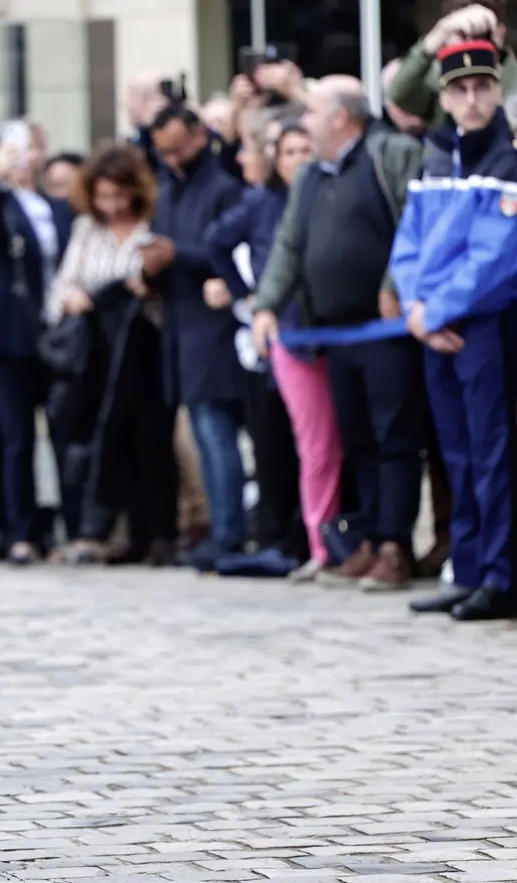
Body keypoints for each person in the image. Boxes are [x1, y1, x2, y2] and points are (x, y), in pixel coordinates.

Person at [251, 76, 428, 592]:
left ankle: (396, 546)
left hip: (386, 330)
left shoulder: (390, 153)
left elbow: (417, 223)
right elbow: (289, 245)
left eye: (312, 112)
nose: (304, 122)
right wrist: (266, 305)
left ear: (341, 117)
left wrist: (396, 282)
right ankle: (370, 540)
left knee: (395, 438)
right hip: (335, 335)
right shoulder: (309, 176)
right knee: (357, 441)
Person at [390, 40, 517, 621]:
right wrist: (415, 309)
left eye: (481, 87)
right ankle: (466, 567)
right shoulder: (435, 157)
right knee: (457, 453)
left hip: (484, 323)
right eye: (459, 90)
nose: (471, 100)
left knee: (493, 452)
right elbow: (409, 244)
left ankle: (501, 576)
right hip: (435, 326)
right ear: (443, 97)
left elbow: (496, 258)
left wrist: (433, 312)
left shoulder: (511, 159)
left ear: (497, 90)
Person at [43, 142, 177, 567]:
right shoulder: (87, 231)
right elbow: (60, 288)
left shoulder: (152, 231)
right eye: (104, 196)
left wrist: (147, 290)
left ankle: (155, 532)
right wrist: (75, 299)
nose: (112, 205)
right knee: (100, 441)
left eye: (120, 196)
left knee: (150, 443)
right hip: (97, 361)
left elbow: (167, 297)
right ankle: (103, 529)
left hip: (144, 355)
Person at [205, 114, 316, 576]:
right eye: (287, 152)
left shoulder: (320, 195)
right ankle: (277, 537)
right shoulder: (261, 201)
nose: (296, 160)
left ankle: (313, 536)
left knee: (313, 444)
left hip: (321, 332)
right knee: (272, 443)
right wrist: (243, 291)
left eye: (303, 150)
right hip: (273, 337)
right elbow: (215, 241)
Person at [146, 103, 248, 570]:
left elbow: (226, 251)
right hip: (181, 328)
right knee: (203, 434)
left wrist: (176, 254)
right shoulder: (169, 190)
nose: (170, 158)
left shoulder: (224, 189)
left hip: (215, 331)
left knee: (216, 431)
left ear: (200, 137)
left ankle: (229, 532)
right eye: (162, 151)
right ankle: (217, 527)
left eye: (177, 148)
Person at [0, 122, 75, 564]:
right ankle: (19, 530)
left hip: (57, 333)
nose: (23, 156)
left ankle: (69, 527)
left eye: (30, 147)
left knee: (66, 433)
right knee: (14, 438)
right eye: (13, 148)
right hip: (9, 335)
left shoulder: (58, 206)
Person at [386, 1, 517, 133]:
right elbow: (400, 94)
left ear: (500, 32)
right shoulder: (440, 79)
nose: (470, 43)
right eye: (462, 33)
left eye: (480, 34)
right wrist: (437, 36)